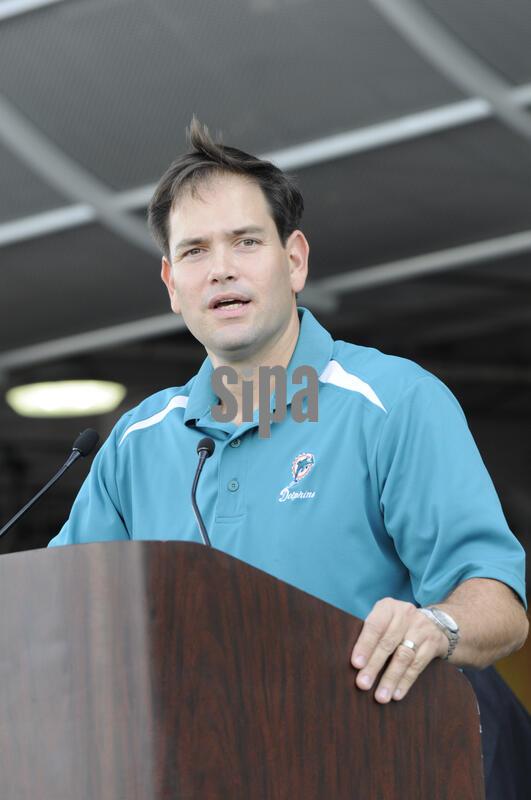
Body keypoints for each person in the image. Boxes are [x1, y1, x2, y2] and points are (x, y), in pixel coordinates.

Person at [49, 118, 528, 714]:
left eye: (246, 242)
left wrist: (438, 626)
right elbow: (55, 613)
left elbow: (499, 606)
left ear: (295, 260)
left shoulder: (394, 401)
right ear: (172, 284)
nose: (221, 268)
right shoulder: (134, 442)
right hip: (193, 752)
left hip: (366, 748)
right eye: (195, 251)